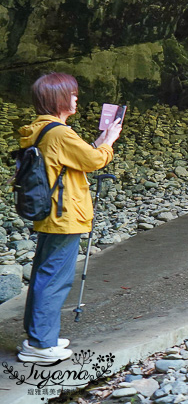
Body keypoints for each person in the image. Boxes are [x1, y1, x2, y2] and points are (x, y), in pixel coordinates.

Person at [19, 72, 122, 364]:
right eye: (73, 94)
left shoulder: (41, 130)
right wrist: (110, 140)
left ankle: (39, 335)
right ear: (59, 99)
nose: (77, 99)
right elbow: (93, 161)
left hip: (49, 211)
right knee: (55, 278)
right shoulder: (61, 133)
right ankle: (40, 345)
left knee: (44, 273)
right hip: (65, 214)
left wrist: (99, 140)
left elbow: (74, 157)